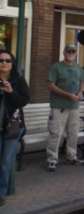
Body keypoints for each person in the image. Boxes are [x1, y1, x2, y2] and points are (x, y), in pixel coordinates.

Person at [46, 43, 84, 172]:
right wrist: (67, 94)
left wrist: (80, 93)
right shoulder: (56, 67)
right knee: (56, 133)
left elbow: (82, 81)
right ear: (64, 53)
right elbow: (50, 85)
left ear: (75, 54)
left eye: (73, 51)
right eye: (68, 51)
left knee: (73, 133)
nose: (71, 53)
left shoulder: (78, 67)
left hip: (74, 106)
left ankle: (71, 157)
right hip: (59, 106)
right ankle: (52, 160)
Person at [0, 50, 30, 207]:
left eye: (7, 60)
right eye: (1, 60)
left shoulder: (18, 80)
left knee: (5, 160)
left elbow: (24, 101)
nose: (4, 63)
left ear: (12, 64)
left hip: (12, 126)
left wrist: (10, 92)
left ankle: (1, 192)